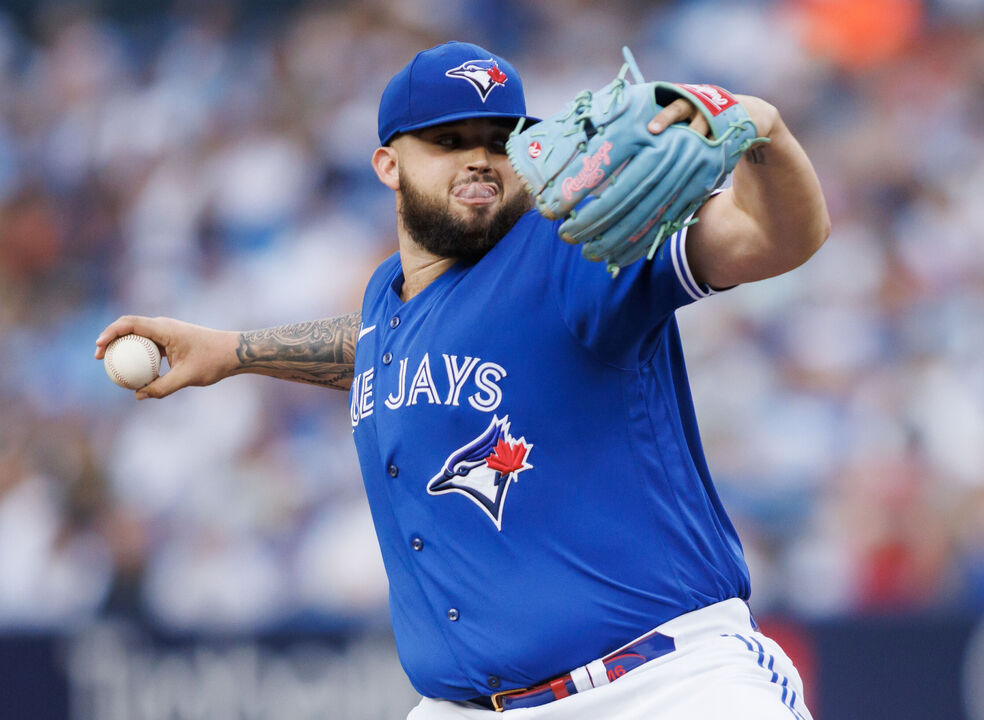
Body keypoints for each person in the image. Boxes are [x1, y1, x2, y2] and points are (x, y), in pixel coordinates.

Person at [95, 41, 829, 719]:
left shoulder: (575, 246)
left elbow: (776, 239)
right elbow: (394, 351)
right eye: (449, 142)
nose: (480, 159)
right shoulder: (391, 295)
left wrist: (760, 129)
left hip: (658, 688)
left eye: (499, 140)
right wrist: (234, 350)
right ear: (388, 165)